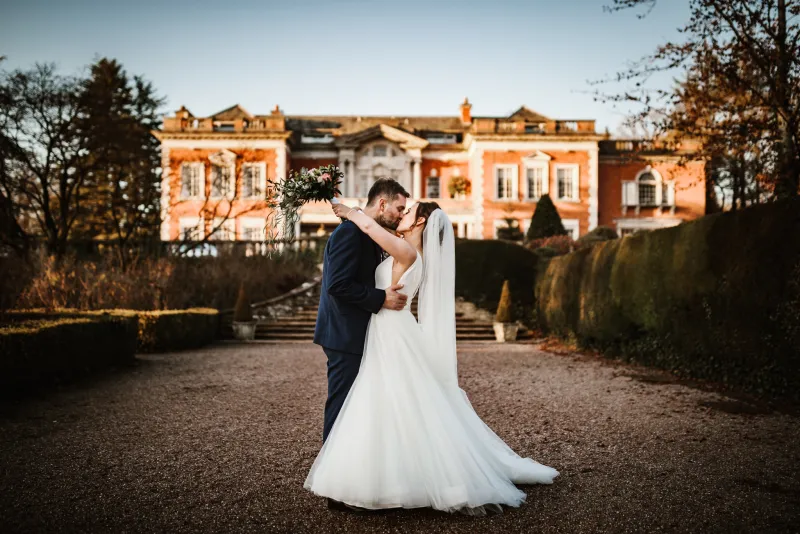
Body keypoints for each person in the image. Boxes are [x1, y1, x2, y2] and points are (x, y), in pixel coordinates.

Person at [306, 198, 559, 515]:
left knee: (388, 403)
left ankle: (382, 481)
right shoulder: (407, 249)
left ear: (420, 222)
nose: (402, 213)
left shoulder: (408, 252)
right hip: (389, 331)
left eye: (408, 211)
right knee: (391, 404)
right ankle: (388, 475)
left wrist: (349, 211)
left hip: (391, 333)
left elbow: (369, 225)